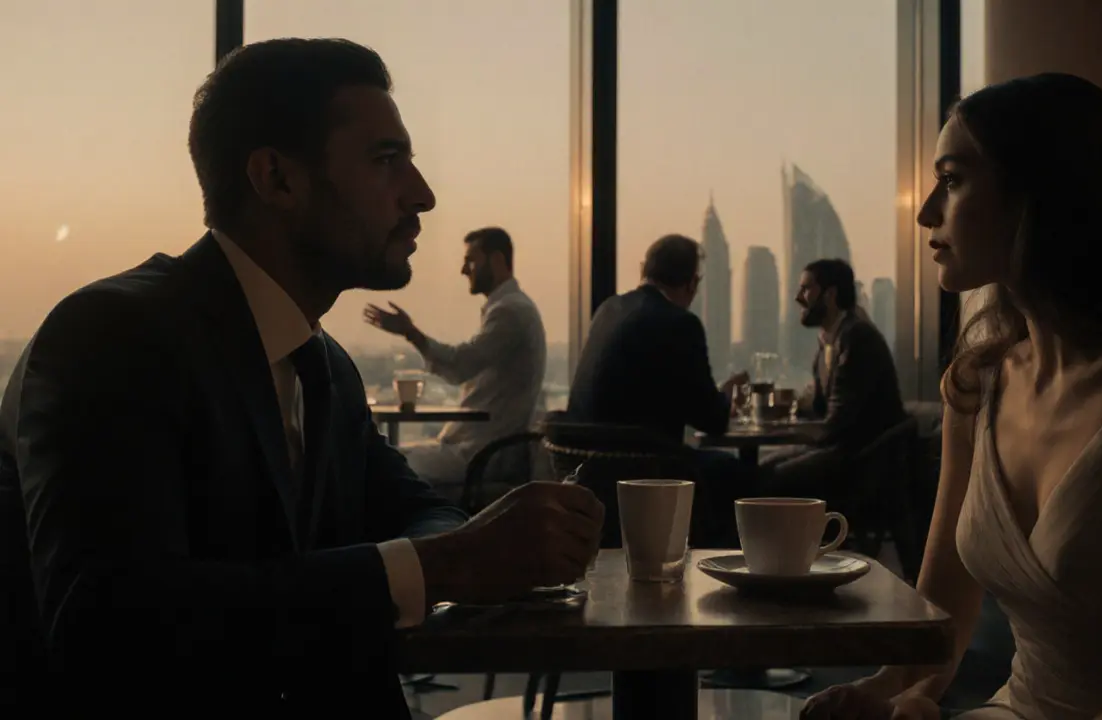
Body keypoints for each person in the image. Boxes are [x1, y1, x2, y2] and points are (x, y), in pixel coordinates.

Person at [0, 38, 602, 718]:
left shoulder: (325, 368)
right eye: (386, 159)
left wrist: (462, 548)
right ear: (277, 179)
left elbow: (410, 506)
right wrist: (446, 566)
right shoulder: (112, 338)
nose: (422, 194)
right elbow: (109, 630)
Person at [802, 73, 1102, 719]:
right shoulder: (977, 383)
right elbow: (945, 600)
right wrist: (887, 691)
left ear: (1040, 194)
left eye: (953, 179)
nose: (925, 214)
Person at [364, 227, 547, 502]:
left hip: (483, 453)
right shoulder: (513, 309)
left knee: (384, 466)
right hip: (480, 447)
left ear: (496, 260)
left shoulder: (510, 312)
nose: (464, 270)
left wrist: (412, 334)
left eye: (471, 260)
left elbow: (460, 365)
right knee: (390, 460)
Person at [568, 233, 747, 443]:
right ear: (693, 284)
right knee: (751, 473)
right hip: (648, 469)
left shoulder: (608, 310)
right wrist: (728, 394)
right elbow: (712, 421)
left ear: (642, 270)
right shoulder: (680, 324)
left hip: (584, 465)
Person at [759, 258, 906, 498]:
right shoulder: (829, 341)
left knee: (770, 477)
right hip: (839, 448)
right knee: (761, 469)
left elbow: (839, 422)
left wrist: (786, 428)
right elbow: (821, 408)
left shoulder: (856, 337)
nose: (798, 297)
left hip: (860, 460)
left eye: (806, 289)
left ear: (830, 294)